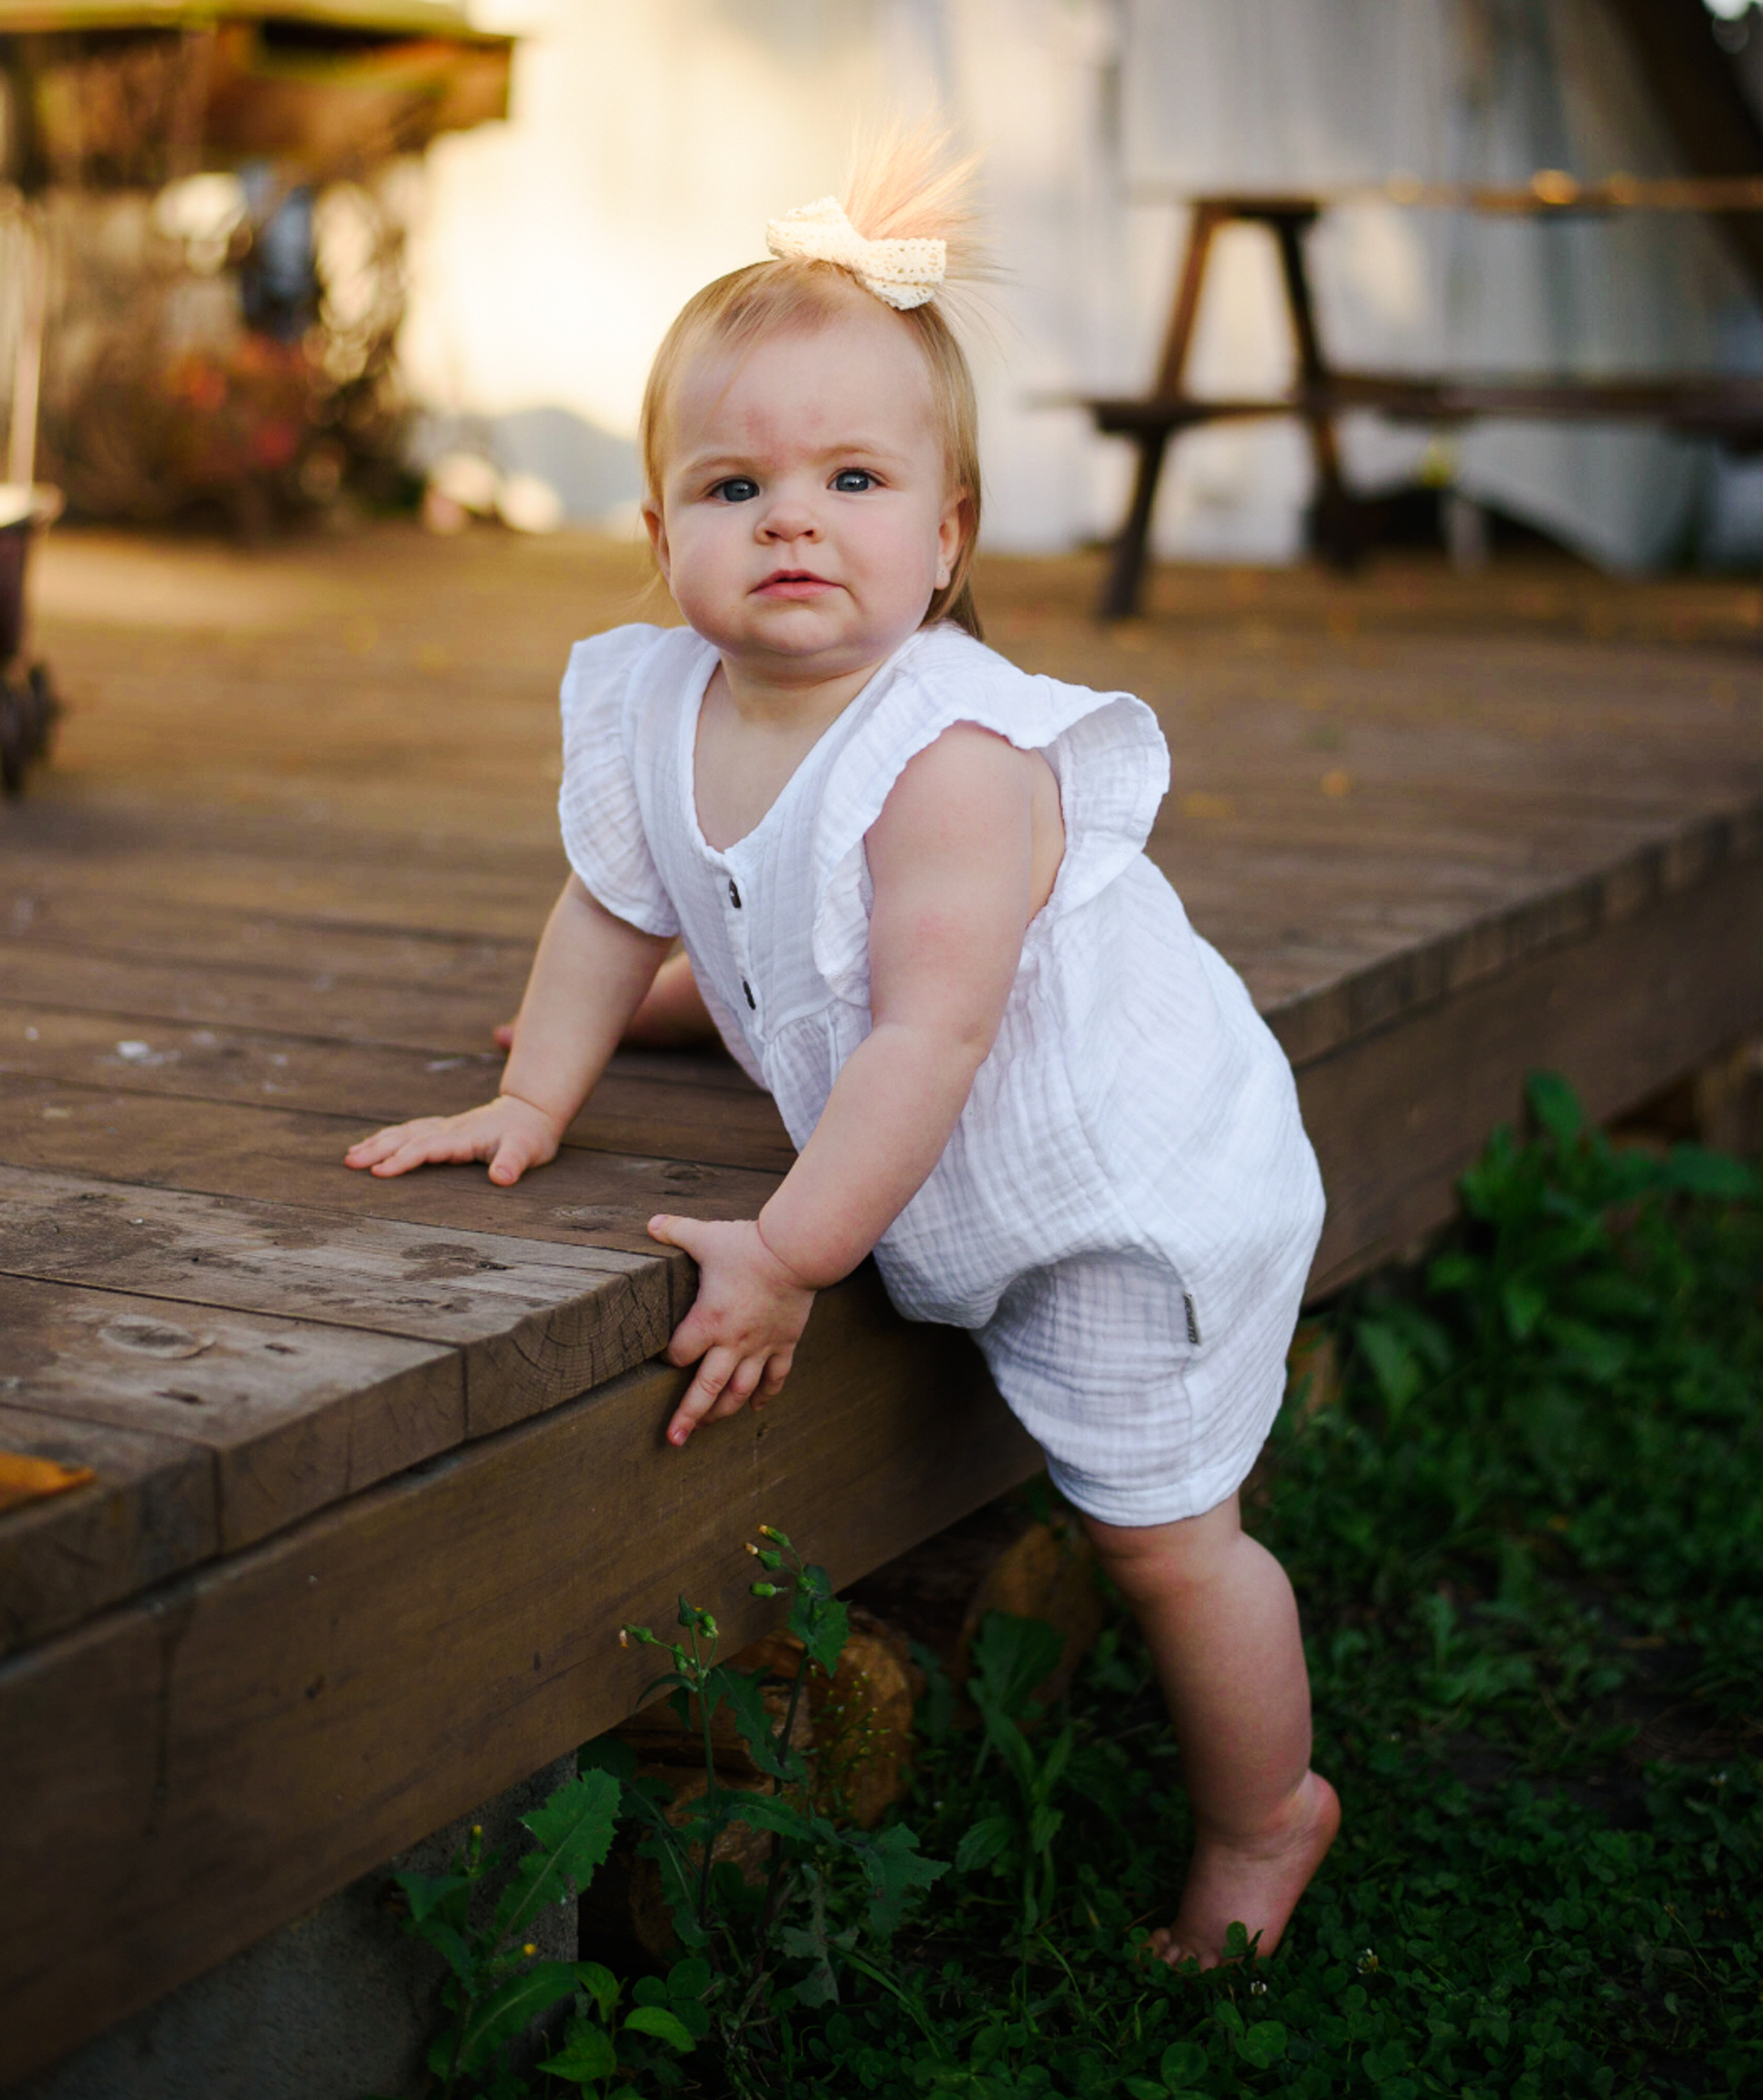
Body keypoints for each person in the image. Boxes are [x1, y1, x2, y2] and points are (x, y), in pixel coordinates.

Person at [346, 132, 1338, 1966]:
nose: (791, 521)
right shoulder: (657, 696)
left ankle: (1266, 1815)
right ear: (662, 539)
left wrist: (791, 1254)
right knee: (729, 953)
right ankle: (731, 1000)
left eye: (854, 479)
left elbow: (937, 1035)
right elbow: (613, 901)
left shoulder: (955, 759)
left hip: (1115, 1183)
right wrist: (534, 1090)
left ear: (947, 538)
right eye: (735, 485)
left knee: (1163, 1539)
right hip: (919, 1085)